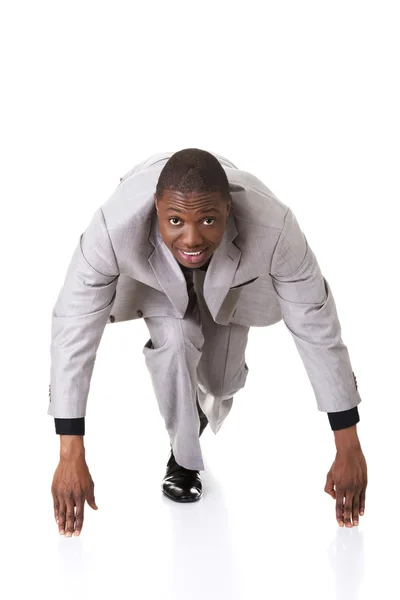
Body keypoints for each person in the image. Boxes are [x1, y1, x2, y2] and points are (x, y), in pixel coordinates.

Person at [49, 149, 368, 537]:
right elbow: (73, 330)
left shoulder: (275, 227)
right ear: (155, 207)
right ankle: (184, 459)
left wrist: (347, 443)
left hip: (232, 280)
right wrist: (70, 452)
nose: (192, 237)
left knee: (219, 382)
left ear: (229, 208)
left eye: (208, 219)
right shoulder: (113, 229)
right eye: (175, 221)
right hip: (155, 279)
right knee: (177, 342)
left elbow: (317, 326)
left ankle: (201, 406)